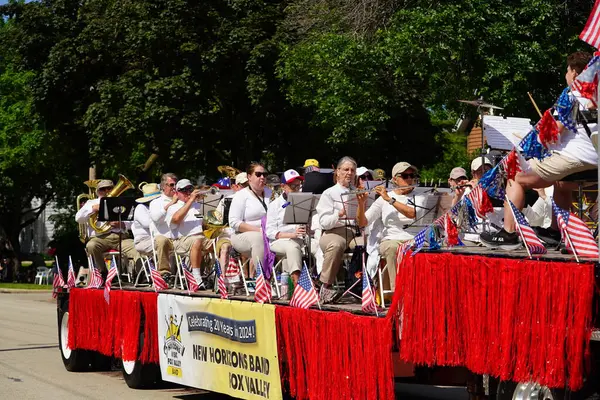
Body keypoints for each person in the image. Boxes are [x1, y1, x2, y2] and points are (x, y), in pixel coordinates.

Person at [481, 52, 598, 249]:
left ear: (576, 73)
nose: (565, 75)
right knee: (561, 184)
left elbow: (553, 131)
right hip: (595, 161)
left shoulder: (572, 95)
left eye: (567, 71)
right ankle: (556, 232)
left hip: (575, 157)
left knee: (515, 176)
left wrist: (531, 144)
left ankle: (509, 233)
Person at [356, 162, 417, 291]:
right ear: (395, 179)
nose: (410, 179)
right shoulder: (383, 198)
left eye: (412, 175)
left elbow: (412, 213)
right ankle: (398, 293)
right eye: (405, 176)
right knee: (392, 248)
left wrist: (390, 200)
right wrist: (361, 204)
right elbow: (363, 222)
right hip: (391, 238)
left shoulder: (420, 196)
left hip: (415, 238)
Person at [315, 156, 362, 303]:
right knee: (336, 245)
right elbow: (324, 222)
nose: (349, 173)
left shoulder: (358, 192)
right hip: (334, 231)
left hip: (354, 231)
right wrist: (339, 214)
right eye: (346, 169)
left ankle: (362, 286)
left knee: (369, 245)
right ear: (338, 171)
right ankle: (325, 285)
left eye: (352, 170)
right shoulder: (328, 193)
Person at [266, 169, 317, 285]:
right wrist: (292, 234)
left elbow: (312, 225)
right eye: (293, 186)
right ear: (283, 186)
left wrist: (310, 230)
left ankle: (320, 281)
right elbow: (270, 232)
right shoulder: (274, 205)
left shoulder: (305, 201)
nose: (296, 189)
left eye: (298, 186)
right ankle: (298, 285)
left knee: (319, 246)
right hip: (280, 241)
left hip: (301, 238)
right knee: (293, 247)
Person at [75, 179, 138, 272]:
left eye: (109, 188)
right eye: (102, 189)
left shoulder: (121, 202)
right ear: (98, 191)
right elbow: (78, 218)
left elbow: (133, 221)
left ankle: (141, 274)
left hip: (121, 237)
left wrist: (122, 224)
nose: (106, 191)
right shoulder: (91, 203)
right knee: (91, 246)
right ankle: (102, 272)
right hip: (100, 238)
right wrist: (92, 209)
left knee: (137, 247)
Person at [229, 163, 271, 278]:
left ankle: (288, 283)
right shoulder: (241, 195)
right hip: (242, 235)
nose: (262, 177)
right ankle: (262, 279)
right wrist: (259, 230)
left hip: (269, 233)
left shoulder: (270, 194)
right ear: (249, 177)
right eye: (258, 174)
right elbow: (234, 222)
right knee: (259, 239)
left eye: (264, 174)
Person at [166, 179, 208, 285]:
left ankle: (224, 276)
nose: (188, 192)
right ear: (176, 193)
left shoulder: (198, 206)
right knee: (197, 240)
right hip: (182, 240)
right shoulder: (173, 207)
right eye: (184, 190)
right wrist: (190, 201)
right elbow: (175, 220)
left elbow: (206, 224)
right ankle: (196, 276)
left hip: (201, 238)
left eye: (190, 189)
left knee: (223, 242)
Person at [149, 173, 178, 274]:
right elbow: (156, 218)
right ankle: (164, 272)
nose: (174, 188)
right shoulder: (156, 202)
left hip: (179, 238)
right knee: (162, 240)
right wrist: (171, 204)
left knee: (198, 239)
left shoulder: (181, 200)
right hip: (164, 237)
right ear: (163, 186)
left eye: (175, 185)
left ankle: (198, 274)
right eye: (171, 185)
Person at [132, 183, 162, 256]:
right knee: (165, 245)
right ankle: (166, 267)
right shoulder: (140, 208)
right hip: (144, 241)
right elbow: (148, 224)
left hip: (156, 239)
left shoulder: (156, 207)